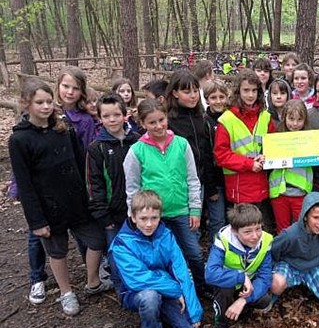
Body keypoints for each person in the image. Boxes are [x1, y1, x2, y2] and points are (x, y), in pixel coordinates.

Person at [9, 79, 112, 315]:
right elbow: (25, 184)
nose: (45, 107)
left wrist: (88, 196)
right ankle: (66, 293)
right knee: (58, 251)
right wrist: (36, 221)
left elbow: (80, 163)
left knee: (96, 240)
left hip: (76, 201)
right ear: (27, 104)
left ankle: (93, 281)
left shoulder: (64, 130)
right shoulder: (19, 140)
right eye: (39, 102)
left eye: (48, 102)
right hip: (49, 207)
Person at [123, 99, 209, 299]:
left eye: (161, 120)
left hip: (181, 210)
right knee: (165, 257)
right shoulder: (137, 151)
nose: (159, 126)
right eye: (152, 122)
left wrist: (195, 209)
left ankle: (202, 288)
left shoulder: (181, 144)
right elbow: (132, 188)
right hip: (154, 216)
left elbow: (192, 178)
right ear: (143, 124)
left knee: (194, 253)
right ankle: (173, 292)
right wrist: (134, 216)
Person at [110, 190, 203, 328]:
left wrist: (194, 310)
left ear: (160, 217)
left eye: (154, 218)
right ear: (133, 217)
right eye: (143, 219)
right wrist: (176, 291)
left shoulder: (166, 235)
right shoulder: (121, 243)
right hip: (135, 292)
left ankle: (162, 312)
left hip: (165, 287)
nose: (149, 224)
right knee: (149, 297)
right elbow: (138, 279)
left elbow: (181, 270)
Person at [205, 204, 273, 328]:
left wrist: (243, 300)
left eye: (258, 229)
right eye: (248, 232)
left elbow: (265, 277)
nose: (255, 236)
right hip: (227, 284)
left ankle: (240, 308)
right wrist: (240, 277)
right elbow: (210, 273)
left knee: (265, 299)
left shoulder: (266, 240)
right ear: (235, 231)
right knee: (224, 290)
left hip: (245, 290)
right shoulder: (224, 240)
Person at [214, 69, 277, 234]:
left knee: (264, 231)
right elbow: (221, 155)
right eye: (246, 90)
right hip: (239, 186)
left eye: (254, 90)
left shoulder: (265, 116)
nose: (251, 95)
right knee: (245, 232)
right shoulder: (227, 120)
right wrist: (250, 164)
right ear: (238, 92)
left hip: (263, 184)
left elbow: (274, 145)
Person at [165, 71, 219, 241]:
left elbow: (206, 154)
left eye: (196, 91)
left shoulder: (202, 119)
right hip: (175, 184)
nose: (193, 96)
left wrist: (210, 186)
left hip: (198, 182)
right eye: (187, 92)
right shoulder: (167, 121)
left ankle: (191, 264)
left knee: (192, 228)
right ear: (175, 93)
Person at [270, 192, 319, 318]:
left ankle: (315, 288)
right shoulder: (290, 234)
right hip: (290, 265)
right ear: (305, 216)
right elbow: (273, 252)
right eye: (316, 217)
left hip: (313, 268)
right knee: (276, 284)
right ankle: (272, 295)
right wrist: (271, 274)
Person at [86, 93, 140, 258]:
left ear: (124, 115)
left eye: (116, 115)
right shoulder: (96, 148)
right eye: (106, 116)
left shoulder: (137, 141)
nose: (112, 119)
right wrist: (103, 215)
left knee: (139, 251)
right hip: (113, 213)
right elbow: (93, 183)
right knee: (117, 253)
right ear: (100, 118)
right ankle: (118, 282)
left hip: (139, 209)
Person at [269, 100, 316, 233]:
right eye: (291, 119)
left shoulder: (310, 139)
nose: (295, 124)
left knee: (300, 229)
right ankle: (283, 254)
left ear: (304, 120)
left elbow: (315, 164)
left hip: (300, 192)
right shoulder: (276, 137)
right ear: (284, 118)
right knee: (282, 229)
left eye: (299, 119)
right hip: (279, 191)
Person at [203, 79, 229, 242]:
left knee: (232, 217)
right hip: (215, 179)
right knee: (217, 219)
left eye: (221, 97)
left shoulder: (232, 117)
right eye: (213, 97)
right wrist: (210, 187)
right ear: (207, 99)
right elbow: (205, 156)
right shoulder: (205, 121)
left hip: (232, 177)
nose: (218, 101)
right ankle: (216, 252)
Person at [56, 66, 97, 154]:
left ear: (82, 91)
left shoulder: (86, 121)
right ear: (58, 85)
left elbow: (87, 153)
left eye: (76, 88)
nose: (70, 92)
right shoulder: (48, 112)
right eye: (66, 86)